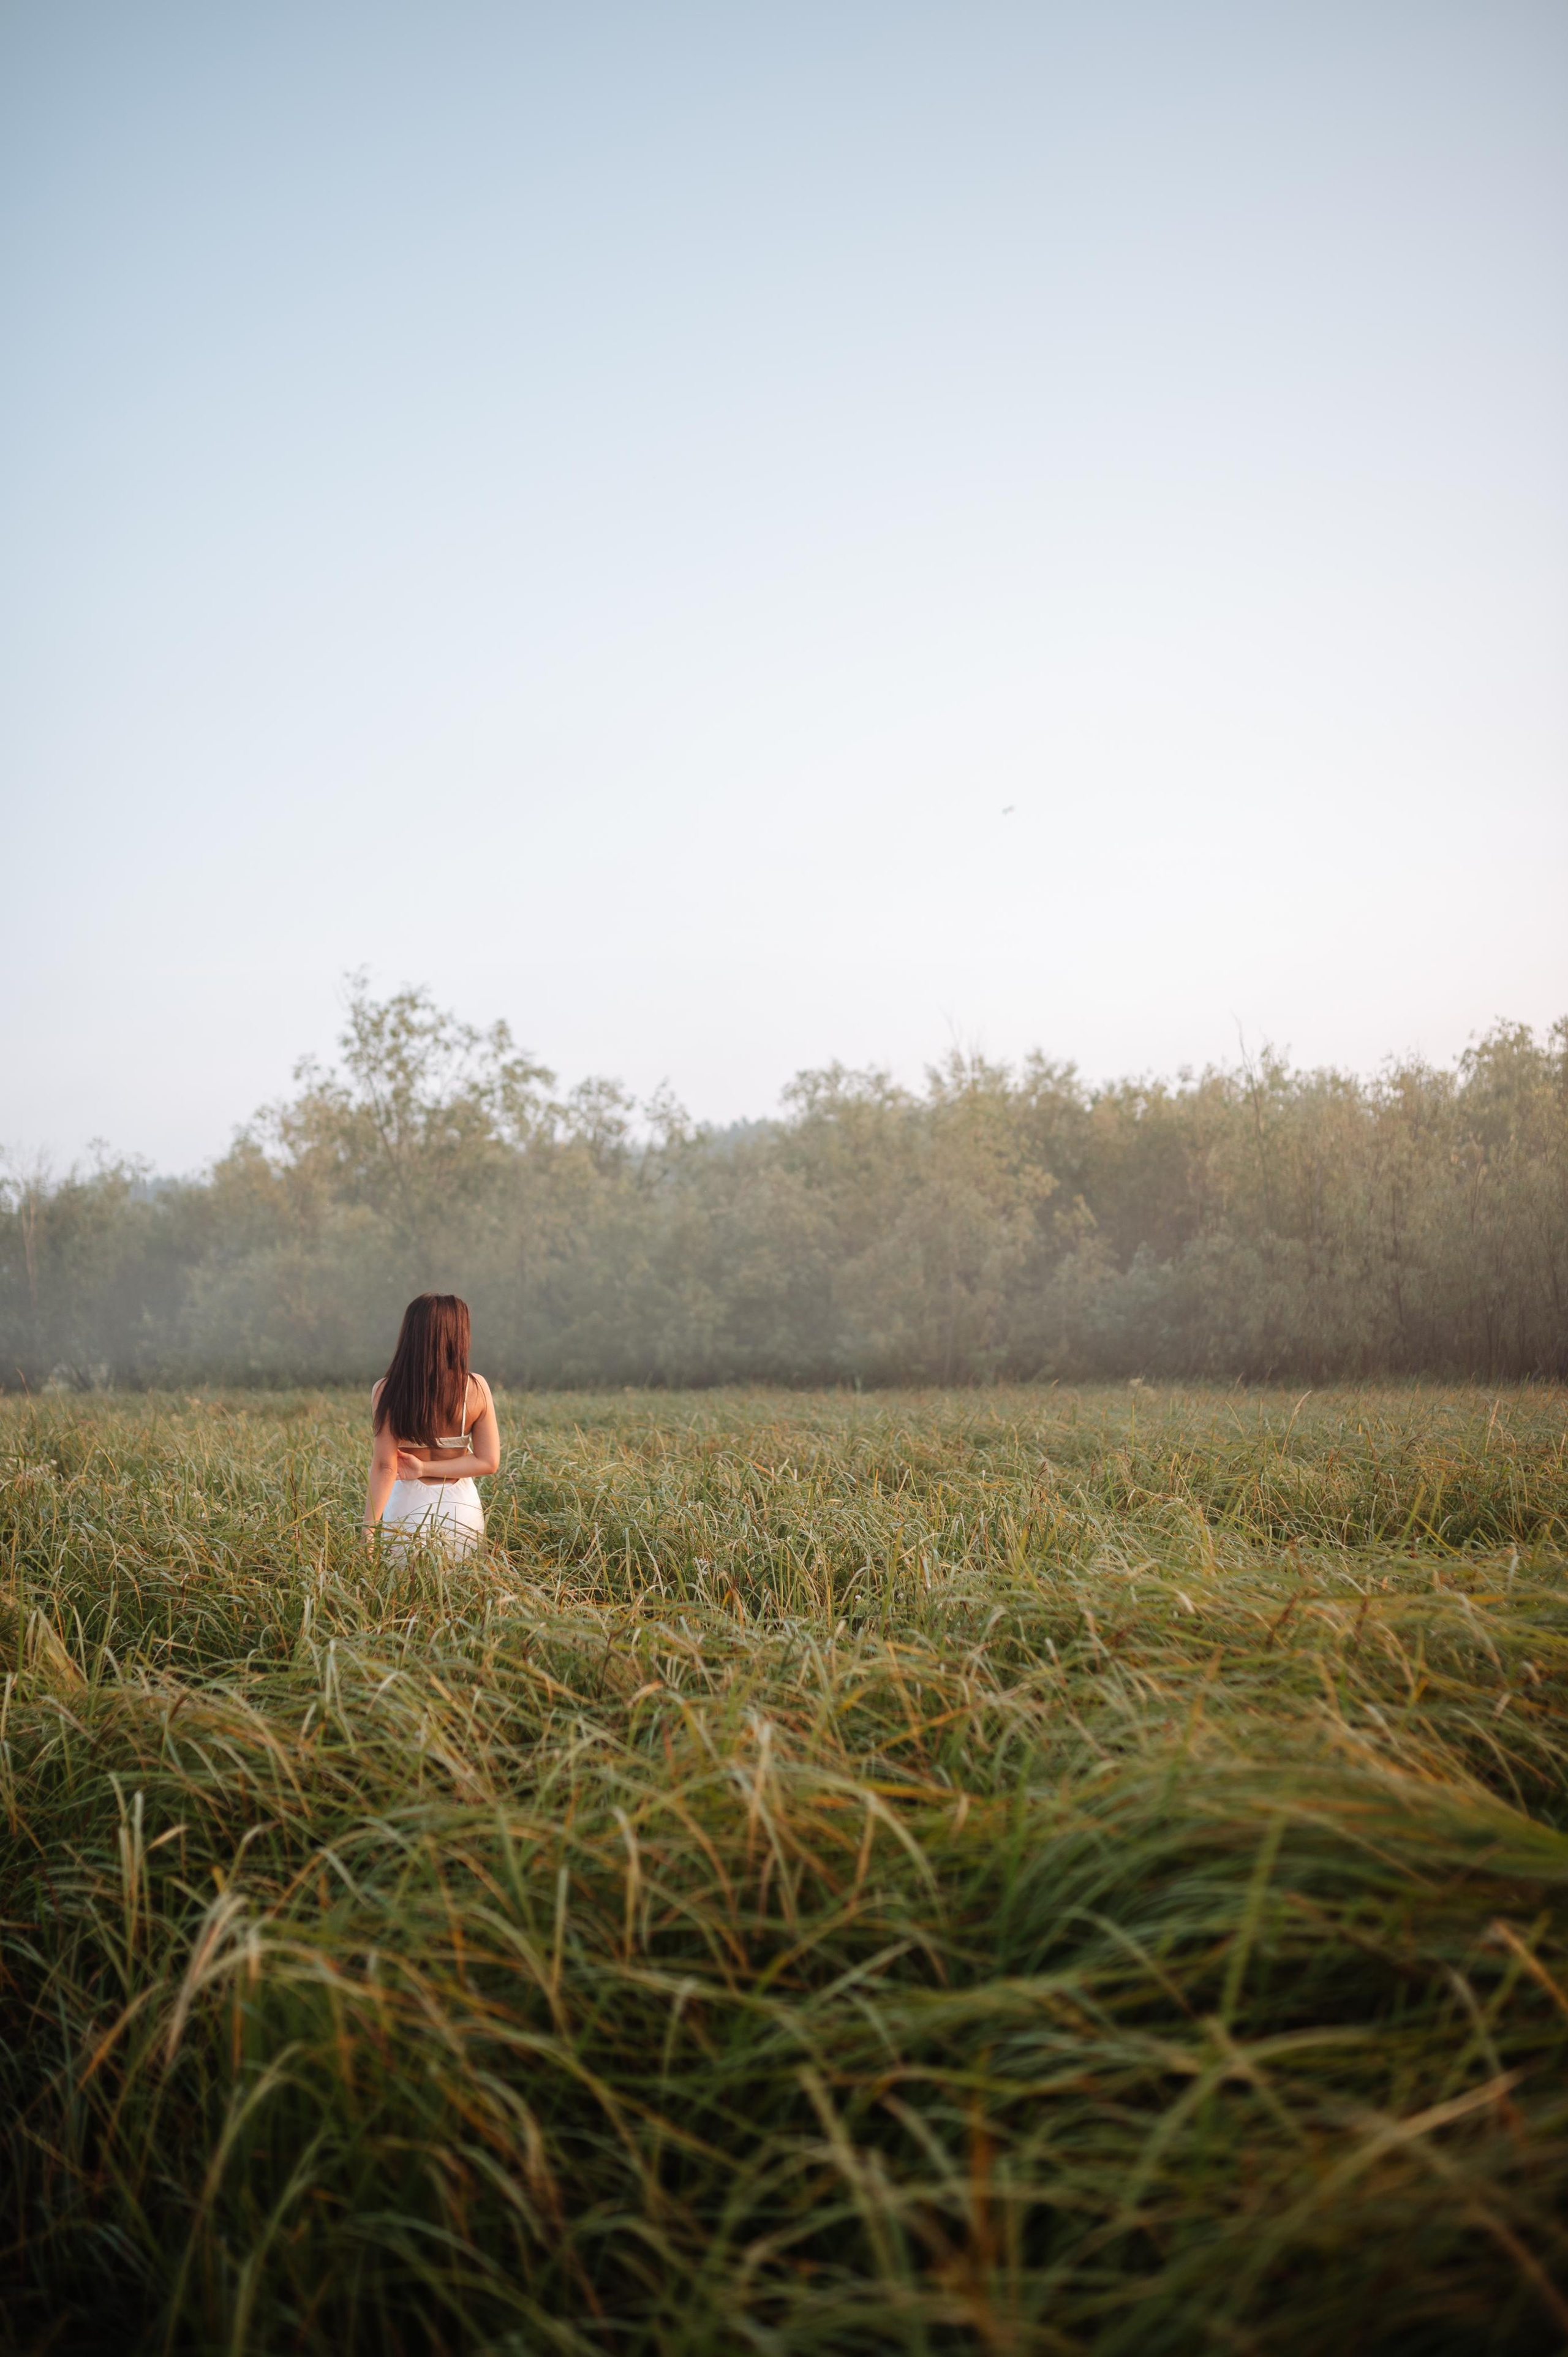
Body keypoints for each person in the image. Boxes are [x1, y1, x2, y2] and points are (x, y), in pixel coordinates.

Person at [364, 1292, 500, 1557]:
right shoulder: (476, 1388)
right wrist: (426, 1468)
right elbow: (488, 1462)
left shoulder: (386, 1390)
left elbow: (385, 1466)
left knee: (403, 1593)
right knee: (465, 1590)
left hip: (407, 1506)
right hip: (462, 1507)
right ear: (458, 1334)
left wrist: (368, 1533)